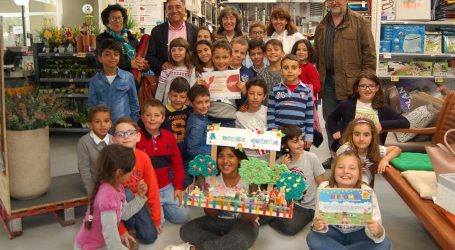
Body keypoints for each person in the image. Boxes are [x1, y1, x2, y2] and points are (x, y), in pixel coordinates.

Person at [314, 0, 376, 161]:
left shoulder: (359, 22)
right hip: (327, 82)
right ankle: (335, 156)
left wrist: (367, 84)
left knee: (351, 121)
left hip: (352, 84)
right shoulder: (321, 26)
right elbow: (318, 57)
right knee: (330, 120)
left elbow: (369, 55)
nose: (335, 2)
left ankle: (354, 157)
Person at [166, 146, 259, 250]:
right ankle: (229, 246)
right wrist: (207, 200)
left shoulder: (250, 181)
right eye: (220, 156)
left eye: (231, 156)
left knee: (241, 239)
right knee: (187, 230)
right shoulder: (211, 180)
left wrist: (248, 205)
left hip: (243, 222)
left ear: (239, 160)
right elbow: (211, 215)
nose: (225, 161)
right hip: (218, 221)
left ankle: (194, 249)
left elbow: (249, 219)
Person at [306, 151, 391, 250]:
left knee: (384, 244)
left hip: (359, 233)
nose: (346, 171)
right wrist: (318, 226)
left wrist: (378, 231)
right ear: (334, 171)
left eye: (352, 168)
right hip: (333, 232)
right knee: (313, 238)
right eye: (340, 167)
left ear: (359, 173)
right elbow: (318, 221)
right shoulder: (324, 188)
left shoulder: (366, 192)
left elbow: (377, 227)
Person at [74, 144, 147, 250]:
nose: (133, 171)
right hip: (89, 247)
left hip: (99, 243)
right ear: (119, 172)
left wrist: (140, 197)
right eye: (131, 168)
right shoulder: (108, 195)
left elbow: (124, 214)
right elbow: (111, 236)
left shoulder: (117, 186)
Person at [260, 124, 325, 235]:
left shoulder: (311, 157)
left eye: (300, 139)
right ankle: (272, 214)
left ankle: (274, 215)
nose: (300, 143)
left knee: (290, 228)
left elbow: (322, 184)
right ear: (284, 145)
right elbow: (271, 186)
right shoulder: (281, 161)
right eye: (295, 142)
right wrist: (281, 168)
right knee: (259, 215)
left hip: (307, 207)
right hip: (286, 203)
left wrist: (322, 210)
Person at [137, 99, 189, 225]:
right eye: (148, 115)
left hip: (167, 187)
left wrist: (178, 187)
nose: (152, 119)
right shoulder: (137, 137)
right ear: (142, 117)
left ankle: (163, 206)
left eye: (156, 115)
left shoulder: (169, 136)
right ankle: (151, 207)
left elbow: (177, 164)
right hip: (149, 189)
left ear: (162, 118)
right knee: (159, 222)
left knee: (183, 217)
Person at [327, 72, 410, 150]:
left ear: (377, 88)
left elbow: (405, 122)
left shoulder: (383, 108)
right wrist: (334, 130)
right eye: (363, 86)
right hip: (347, 148)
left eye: (371, 86)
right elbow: (331, 118)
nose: (367, 89)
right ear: (357, 88)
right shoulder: (346, 105)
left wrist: (382, 125)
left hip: (372, 151)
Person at [112, 117, 161, 244]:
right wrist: (120, 230)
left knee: (150, 237)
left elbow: (153, 188)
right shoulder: (111, 161)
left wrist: (156, 219)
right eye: (120, 134)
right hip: (116, 206)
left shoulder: (143, 158)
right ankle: (123, 224)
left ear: (138, 136)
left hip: (137, 201)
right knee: (126, 192)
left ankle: (131, 222)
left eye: (130, 133)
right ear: (114, 139)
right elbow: (108, 202)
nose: (126, 137)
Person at [336, 118, 402, 186]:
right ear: (351, 135)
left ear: (372, 137)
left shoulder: (375, 149)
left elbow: (397, 149)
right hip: (345, 173)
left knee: (362, 186)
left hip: (363, 174)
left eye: (366, 135)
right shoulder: (345, 149)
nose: (361, 139)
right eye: (357, 134)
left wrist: (385, 160)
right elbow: (336, 165)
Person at [267, 54, 314, 149]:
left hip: (300, 137)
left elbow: (309, 116)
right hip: (280, 137)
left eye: (294, 67)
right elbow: (270, 113)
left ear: (299, 70)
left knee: (299, 162)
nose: (290, 71)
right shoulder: (275, 90)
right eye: (285, 68)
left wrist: (309, 136)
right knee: (280, 162)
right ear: (281, 71)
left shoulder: (307, 90)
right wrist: (271, 131)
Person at [88, 39, 140, 123]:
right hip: (103, 126)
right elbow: (92, 105)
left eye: (116, 54)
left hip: (123, 125)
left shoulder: (128, 77)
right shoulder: (95, 80)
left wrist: (134, 123)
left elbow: (134, 103)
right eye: (107, 54)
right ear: (100, 58)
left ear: (119, 57)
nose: (112, 57)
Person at [147, 0, 199, 75]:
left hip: (191, 77)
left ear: (184, 9)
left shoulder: (195, 30)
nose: (174, 11)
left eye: (178, 7)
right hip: (165, 78)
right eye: (170, 8)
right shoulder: (157, 31)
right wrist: (161, 65)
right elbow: (150, 56)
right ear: (166, 11)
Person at [97, 4, 147, 72]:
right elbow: (102, 61)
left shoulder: (130, 37)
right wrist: (129, 64)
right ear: (107, 22)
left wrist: (141, 62)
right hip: (114, 77)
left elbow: (139, 54)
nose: (117, 21)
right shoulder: (102, 38)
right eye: (113, 18)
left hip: (134, 77)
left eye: (120, 17)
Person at [207, 39, 245, 127]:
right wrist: (199, 88)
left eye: (225, 57)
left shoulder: (236, 77)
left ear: (231, 57)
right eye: (217, 57)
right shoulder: (207, 77)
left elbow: (242, 104)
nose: (221, 61)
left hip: (229, 120)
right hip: (209, 118)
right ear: (212, 58)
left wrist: (244, 91)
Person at [77, 106, 113, 194]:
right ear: (90, 125)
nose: (103, 124)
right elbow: (84, 169)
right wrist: (91, 191)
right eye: (97, 121)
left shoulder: (114, 140)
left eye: (106, 121)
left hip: (113, 184)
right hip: (95, 186)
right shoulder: (84, 142)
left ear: (111, 123)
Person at [235, 78, 268, 161]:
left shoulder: (269, 112)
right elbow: (237, 141)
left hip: (268, 161)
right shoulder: (239, 115)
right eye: (251, 93)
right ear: (247, 94)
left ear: (264, 96)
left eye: (259, 94)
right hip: (247, 161)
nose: (255, 97)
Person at [161, 77, 191, 164]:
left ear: (187, 98)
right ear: (168, 94)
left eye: (182, 97)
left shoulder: (190, 111)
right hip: (167, 157)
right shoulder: (162, 112)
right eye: (174, 96)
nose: (178, 100)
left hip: (185, 157)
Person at [155, 38, 194, 106]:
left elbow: (193, 90)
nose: (176, 53)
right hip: (168, 109)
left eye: (180, 49)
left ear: (186, 51)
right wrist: (156, 106)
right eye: (173, 50)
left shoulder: (192, 70)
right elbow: (160, 91)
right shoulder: (167, 70)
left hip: (186, 109)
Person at [185, 84, 211, 161]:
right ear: (191, 103)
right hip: (200, 165)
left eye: (207, 101)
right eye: (199, 103)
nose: (204, 106)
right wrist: (214, 153)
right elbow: (192, 149)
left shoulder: (201, 115)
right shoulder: (197, 125)